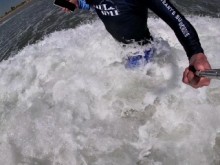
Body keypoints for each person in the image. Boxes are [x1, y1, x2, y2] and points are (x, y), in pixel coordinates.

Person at [63, 0, 212, 89]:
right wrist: (74, 2)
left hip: (142, 50)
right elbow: (94, 4)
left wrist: (196, 53)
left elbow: (177, 21)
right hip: (123, 49)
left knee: (131, 94)